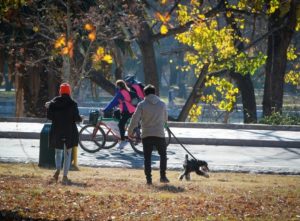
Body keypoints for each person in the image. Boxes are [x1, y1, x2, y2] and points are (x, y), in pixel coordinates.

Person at [127, 84, 169, 185]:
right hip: (159, 133)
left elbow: (135, 119)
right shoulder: (162, 104)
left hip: (147, 134)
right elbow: (165, 119)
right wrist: (163, 125)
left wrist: (129, 132)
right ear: (155, 93)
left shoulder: (142, 104)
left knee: (147, 157)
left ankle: (149, 180)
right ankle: (163, 176)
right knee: (163, 155)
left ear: (145, 94)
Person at [45, 83, 82, 185]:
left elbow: (50, 117)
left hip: (57, 130)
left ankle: (57, 170)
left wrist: (48, 107)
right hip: (69, 131)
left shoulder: (53, 103)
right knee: (67, 153)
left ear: (60, 91)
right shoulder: (73, 103)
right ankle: (65, 175)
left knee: (58, 151)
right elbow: (76, 118)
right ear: (69, 91)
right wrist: (81, 118)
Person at [103, 79, 136, 149]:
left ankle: (123, 140)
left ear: (119, 86)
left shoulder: (121, 93)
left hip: (128, 111)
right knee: (117, 115)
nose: (116, 87)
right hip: (128, 110)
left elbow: (113, 102)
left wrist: (105, 109)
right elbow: (119, 102)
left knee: (121, 124)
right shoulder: (126, 90)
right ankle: (122, 133)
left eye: (116, 86)